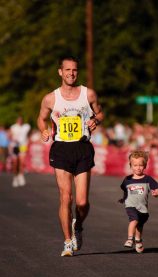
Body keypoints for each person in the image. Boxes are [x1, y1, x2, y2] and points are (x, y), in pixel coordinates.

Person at [37, 56, 104, 257]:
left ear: (77, 72)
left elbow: (100, 113)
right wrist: (43, 130)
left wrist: (96, 121)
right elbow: (41, 119)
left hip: (83, 148)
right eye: (67, 70)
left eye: (74, 70)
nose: (71, 73)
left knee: (82, 203)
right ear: (60, 72)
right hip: (61, 149)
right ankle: (67, 241)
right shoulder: (51, 98)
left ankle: (79, 226)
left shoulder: (88, 94)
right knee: (66, 197)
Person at [119, 150, 158, 253]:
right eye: (135, 165)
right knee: (134, 220)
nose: (138, 167)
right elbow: (125, 190)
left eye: (140, 165)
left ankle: (138, 241)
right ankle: (130, 239)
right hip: (131, 205)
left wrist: (156, 193)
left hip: (143, 207)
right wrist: (124, 198)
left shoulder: (148, 179)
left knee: (140, 225)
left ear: (145, 166)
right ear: (130, 166)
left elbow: (156, 188)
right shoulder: (127, 179)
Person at [9, 117, 31, 187]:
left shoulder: (26, 127)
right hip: (15, 145)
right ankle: (15, 177)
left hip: (23, 145)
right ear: (16, 121)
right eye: (19, 120)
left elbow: (29, 133)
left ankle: (21, 176)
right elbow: (9, 135)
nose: (20, 121)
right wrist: (12, 138)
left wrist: (28, 140)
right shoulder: (13, 127)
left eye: (21, 120)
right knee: (15, 163)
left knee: (21, 162)